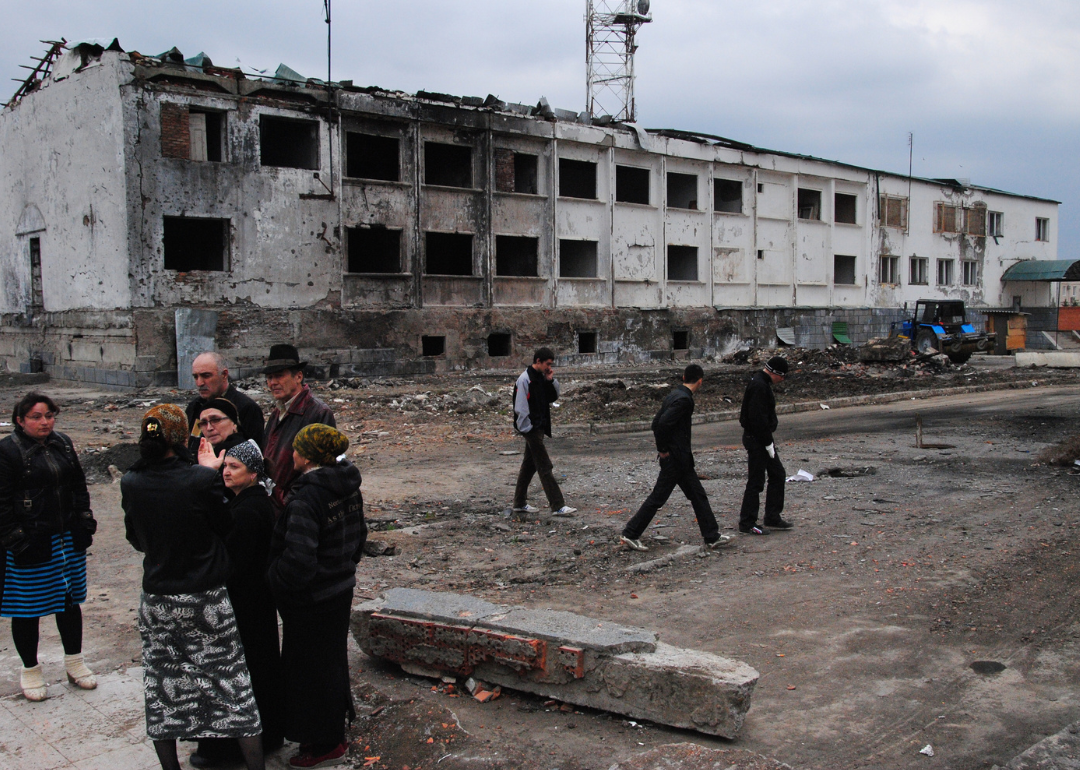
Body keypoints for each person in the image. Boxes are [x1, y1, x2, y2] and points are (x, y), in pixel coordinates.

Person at [122, 404, 264, 770]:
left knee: (162, 688)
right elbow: (224, 527)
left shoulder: (131, 481)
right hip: (205, 599)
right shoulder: (199, 480)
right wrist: (209, 476)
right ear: (181, 437)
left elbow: (136, 539)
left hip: (157, 599)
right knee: (231, 685)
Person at [267, 424, 366, 769]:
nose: (290, 454)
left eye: (295, 449)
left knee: (309, 672)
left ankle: (325, 742)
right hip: (341, 589)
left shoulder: (307, 498)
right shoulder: (347, 485)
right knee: (331, 663)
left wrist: (275, 578)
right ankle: (330, 733)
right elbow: (359, 538)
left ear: (307, 457)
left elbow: (298, 561)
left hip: (312, 599)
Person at [190, 440, 283, 768]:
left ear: (253, 472)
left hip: (246, 603)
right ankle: (267, 735)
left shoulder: (247, 510)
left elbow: (234, 561)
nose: (226, 472)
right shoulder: (255, 500)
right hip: (257, 601)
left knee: (247, 672)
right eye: (225, 466)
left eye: (233, 467)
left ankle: (239, 746)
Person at [0, 392, 97, 701]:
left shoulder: (63, 443)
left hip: (65, 537)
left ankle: (75, 663)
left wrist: (84, 520)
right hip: (30, 539)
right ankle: (30, 670)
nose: (44, 422)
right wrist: (16, 539)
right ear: (20, 420)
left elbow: (78, 486)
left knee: (69, 601)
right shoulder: (7, 452)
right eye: (36, 417)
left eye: (49, 416)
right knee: (27, 608)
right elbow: (1, 503)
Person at [620, 365, 732, 552]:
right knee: (659, 498)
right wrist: (663, 449)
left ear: (683, 377)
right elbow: (662, 424)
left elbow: (656, 422)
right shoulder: (684, 400)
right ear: (700, 381)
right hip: (676, 460)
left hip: (680, 460)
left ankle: (712, 536)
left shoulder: (674, 395)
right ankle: (630, 533)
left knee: (698, 496)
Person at [261, 344, 335, 511]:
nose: (273, 383)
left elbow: (320, 471)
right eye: (270, 377)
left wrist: (288, 501)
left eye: (279, 376)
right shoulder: (277, 413)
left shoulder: (318, 413)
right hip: (274, 509)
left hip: (298, 510)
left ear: (298, 376)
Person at [511, 347, 576, 515]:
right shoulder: (525, 379)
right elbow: (520, 407)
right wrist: (527, 428)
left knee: (529, 466)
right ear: (538, 361)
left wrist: (550, 380)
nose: (549, 367)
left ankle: (519, 502)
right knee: (544, 466)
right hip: (532, 429)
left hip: (538, 427)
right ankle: (558, 505)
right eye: (547, 364)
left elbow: (552, 397)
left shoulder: (541, 378)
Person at [738, 356, 792, 535]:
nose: (782, 380)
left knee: (777, 474)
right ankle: (747, 522)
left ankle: (772, 516)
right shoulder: (760, 386)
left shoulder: (760, 382)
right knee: (756, 481)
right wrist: (768, 443)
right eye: (782, 376)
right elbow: (757, 418)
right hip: (758, 440)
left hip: (761, 438)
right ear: (775, 373)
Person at [187, 352, 265, 454]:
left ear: (224, 375)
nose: (199, 383)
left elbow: (255, 455)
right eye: (195, 377)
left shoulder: (246, 408)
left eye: (206, 376)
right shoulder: (194, 407)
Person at [195, 397, 248, 472]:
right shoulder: (202, 453)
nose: (209, 428)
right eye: (203, 423)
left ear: (234, 424)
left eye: (216, 420)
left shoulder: (242, 452)